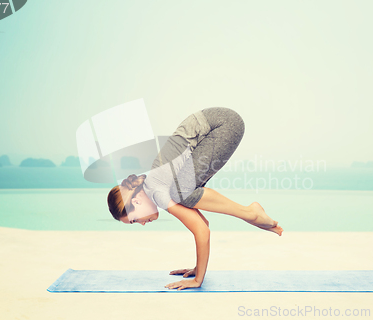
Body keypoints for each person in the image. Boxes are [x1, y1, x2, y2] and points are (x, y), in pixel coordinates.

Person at [107, 107, 283, 290]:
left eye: (135, 220)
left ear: (135, 202)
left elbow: (201, 231)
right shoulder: (158, 189)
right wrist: (198, 268)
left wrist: (198, 280)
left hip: (221, 125)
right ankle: (251, 213)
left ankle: (251, 212)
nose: (141, 224)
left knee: (180, 192)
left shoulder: (157, 192)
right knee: (181, 192)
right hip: (218, 126)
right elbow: (202, 224)